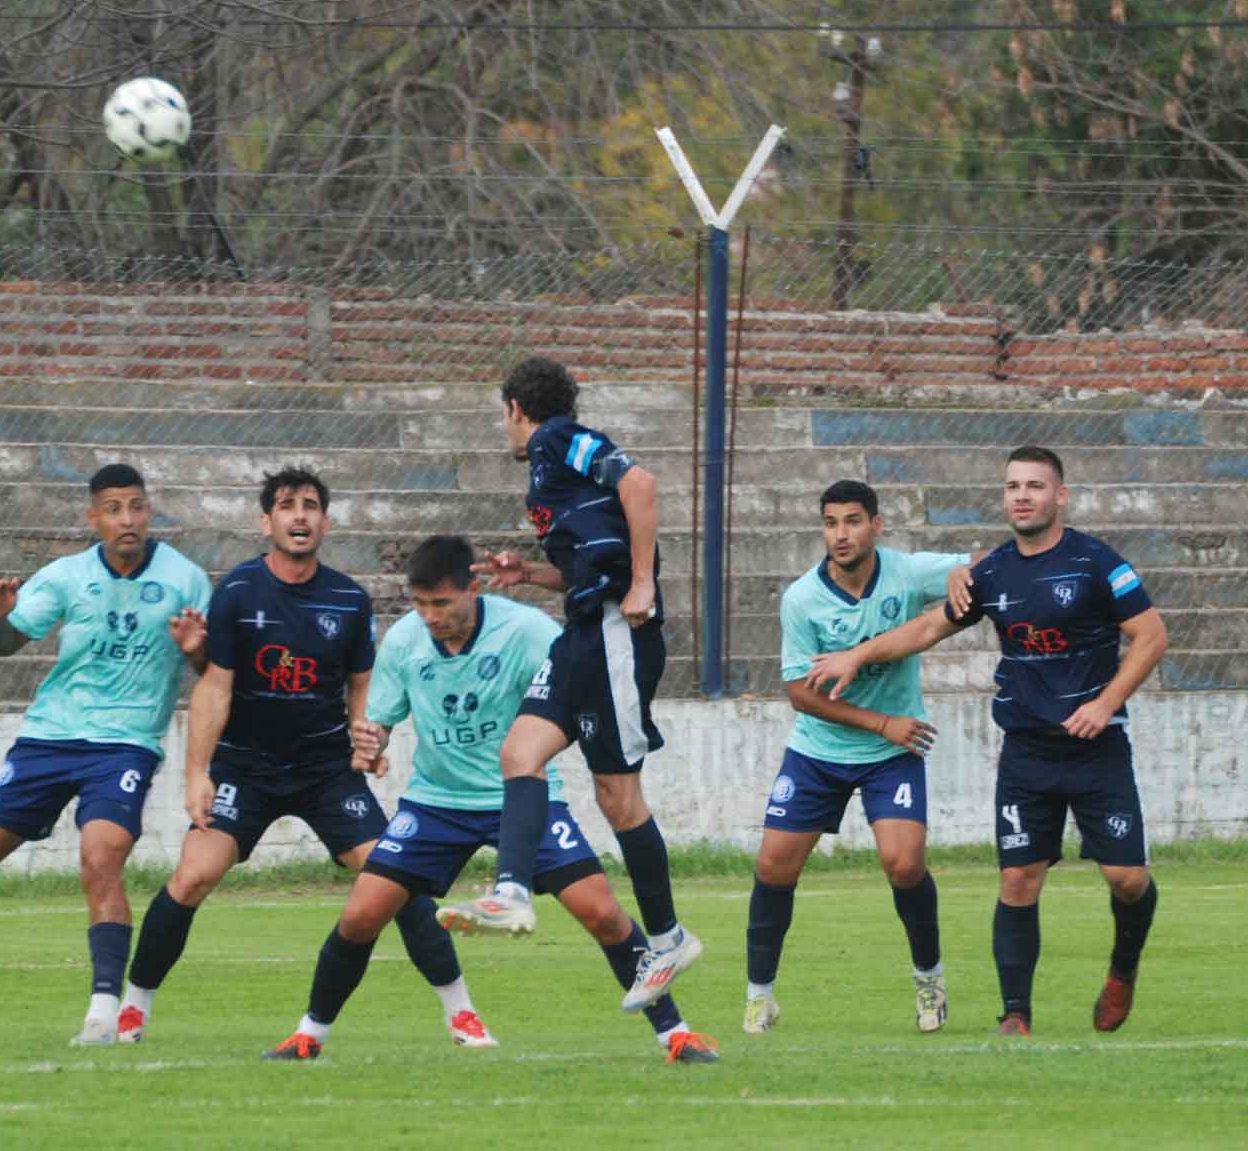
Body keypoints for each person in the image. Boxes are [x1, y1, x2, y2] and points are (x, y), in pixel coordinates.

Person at [262, 535, 720, 1064]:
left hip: (522, 801)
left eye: (441, 603)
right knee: (362, 914)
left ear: (473, 589)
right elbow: (380, 723)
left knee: (603, 914)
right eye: (419, 603)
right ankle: (308, 1035)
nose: (429, 616)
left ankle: (676, 1034)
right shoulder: (405, 641)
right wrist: (372, 744)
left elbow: (572, 689)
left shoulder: (525, 632)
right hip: (435, 805)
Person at [117, 468, 484, 1047]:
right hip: (246, 769)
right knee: (191, 878)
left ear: (325, 522)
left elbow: (363, 683)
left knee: (398, 881)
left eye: (311, 505)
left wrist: (371, 737)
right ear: (266, 522)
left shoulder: (347, 599)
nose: (300, 515)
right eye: (287, 506)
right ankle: (131, 1010)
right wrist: (197, 775)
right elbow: (215, 687)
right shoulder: (238, 592)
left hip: (325, 773)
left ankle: (462, 1014)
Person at [820, 446, 1169, 1037]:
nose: (1022, 496)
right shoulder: (992, 572)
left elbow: (1151, 637)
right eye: (1013, 486)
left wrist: (1105, 702)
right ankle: (1015, 1015)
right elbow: (929, 626)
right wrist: (858, 653)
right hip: (1026, 752)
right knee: (1017, 879)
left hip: (1097, 750)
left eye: (1035, 486)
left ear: (1061, 496)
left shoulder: (1095, 562)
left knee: (1127, 880)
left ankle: (1122, 970)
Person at [0, 463, 212, 1045]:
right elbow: (3, 647)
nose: (127, 519)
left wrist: (197, 651)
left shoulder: (187, 579)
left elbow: (211, 670)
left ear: (150, 511)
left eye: (137, 507)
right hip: (50, 739)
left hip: (125, 745)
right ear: (94, 517)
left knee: (102, 858)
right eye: (114, 509)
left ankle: (101, 1016)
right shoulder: (67, 576)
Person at [437, 358, 703, 1015]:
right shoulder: (549, 471)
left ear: (514, 409)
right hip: (582, 630)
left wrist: (642, 583)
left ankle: (667, 940)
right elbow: (587, 559)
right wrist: (528, 570)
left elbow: (640, 483)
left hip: (616, 629)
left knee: (619, 798)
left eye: (502, 414)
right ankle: (512, 893)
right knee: (519, 754)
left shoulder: (556, 438)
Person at [743, 480, 974, 1038]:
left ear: (876, 526)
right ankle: (759, 998)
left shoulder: (906, 572)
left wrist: (965, 577)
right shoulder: (802, 598)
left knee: (903, 863)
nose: (840, 534)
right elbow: (800, 693)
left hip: (890, 756)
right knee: (774, 866)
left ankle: (929, 981)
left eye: (852, 521)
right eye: (830, 523)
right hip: (819, 750)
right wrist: (882, 723)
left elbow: (979, 567)